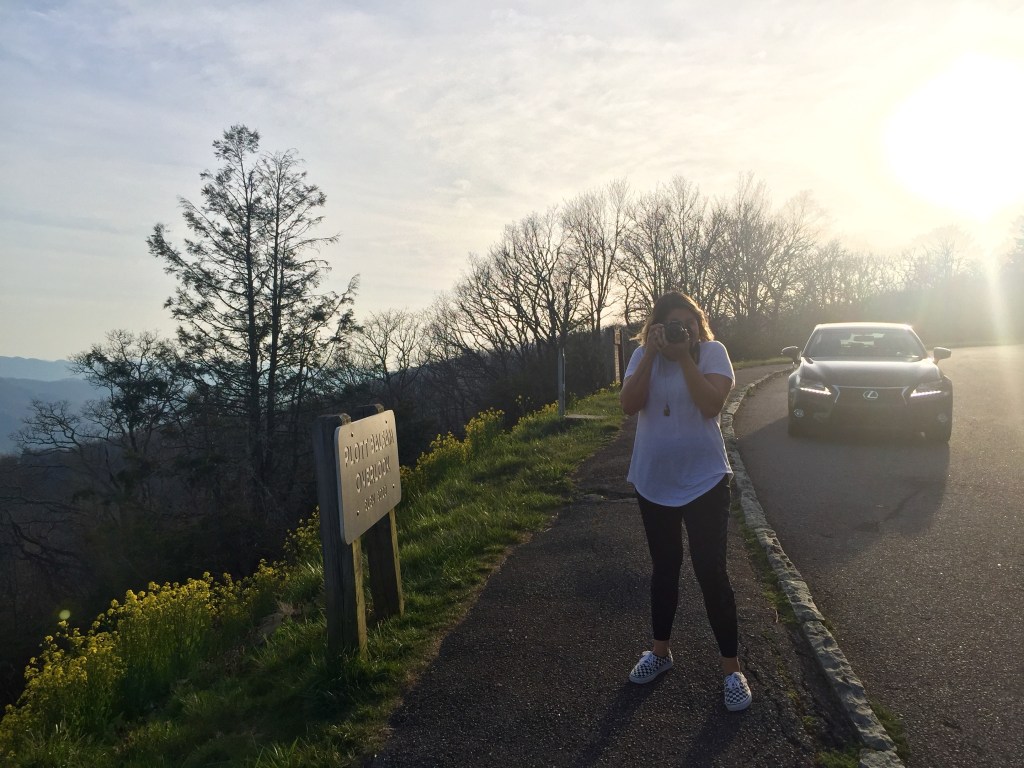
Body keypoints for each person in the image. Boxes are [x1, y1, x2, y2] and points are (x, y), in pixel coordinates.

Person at [619, 290, 752, 712]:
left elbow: (712, 405)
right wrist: (653, 355)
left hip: (705, 480)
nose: (682, 331)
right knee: (664, 568)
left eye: (688, 324)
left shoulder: (712, 353)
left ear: (699, 325)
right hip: (653, 481)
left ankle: (732, 669)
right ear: (655, 329)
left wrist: (683, 358)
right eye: (671, 325)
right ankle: (659, 653)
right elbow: (628, 405)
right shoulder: (643, 357)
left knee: (711, 570)